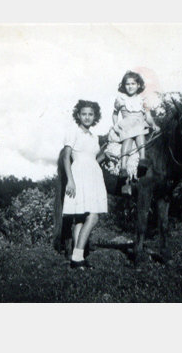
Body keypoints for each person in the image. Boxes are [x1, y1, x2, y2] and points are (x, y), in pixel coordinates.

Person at [62, 100, 108, 269]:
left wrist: (107, 156)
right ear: (78, 115)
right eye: (84, 114)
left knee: (81, 218)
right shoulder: (72, 132)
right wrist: (70, 180)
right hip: (78, 175)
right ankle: (77, 256)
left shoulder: (94, 136)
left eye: (90, 114)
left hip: (93, 175)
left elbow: (93, 159)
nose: (87, 117)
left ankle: (77, 258)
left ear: (95, 117)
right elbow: (66, 157)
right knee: (93, 216)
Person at [109, 71, 160, 181]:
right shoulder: (120, 99)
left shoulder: (143, 100)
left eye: (133, 84)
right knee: (128, 138)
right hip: (126, 126)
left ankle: (142, 160)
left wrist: (154, 124)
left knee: (139, 133)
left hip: (140, 125)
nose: (130, 86)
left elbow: (148, 117)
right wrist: (115, 126)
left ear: (138, 85)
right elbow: (114, 114)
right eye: (127, 84)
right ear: (123, 86)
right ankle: (123, 167)